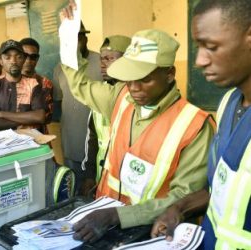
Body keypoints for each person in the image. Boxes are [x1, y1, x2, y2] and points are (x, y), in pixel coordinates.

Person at [59, 1, 215, 243]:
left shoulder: (194, 125)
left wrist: (119, 216)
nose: (134, 88)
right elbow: (80, 85)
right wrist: (67, 40)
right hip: (102, 221)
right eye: (129, 78)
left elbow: (184, 196)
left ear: (170, 74)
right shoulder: (120, 97)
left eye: (145, 79)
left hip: (150, 233)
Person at [151, 1, 251, 249]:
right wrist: (179, 208)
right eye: (198, 47)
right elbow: (223, 187)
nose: (199, 61)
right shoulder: (229, 102)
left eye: (211, 47)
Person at [53, 21, 102, 194]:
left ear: (85, 38)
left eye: (77, 38)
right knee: (73, 190)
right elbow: (59, 102)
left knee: (95, 192)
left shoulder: (101, 62)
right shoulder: (60, 68)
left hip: (97, 147)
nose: (73, 44)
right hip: (71, 143)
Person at [80, 35, 131, 196]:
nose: (102, 64)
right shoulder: (101, 93)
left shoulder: (137, 96)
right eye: (101, 59)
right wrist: (89, 176)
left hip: (127, 183)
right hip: (102, 178)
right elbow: (92, 139)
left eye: (109, 59)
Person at [0, 39, 47, 132]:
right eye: (7, 57)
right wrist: (23, 122)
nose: (13, 61)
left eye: (18, 57)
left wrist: (3, 114)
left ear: (24, 59)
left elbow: (39, 117)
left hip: (29, 140)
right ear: (1, 61)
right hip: (1, 142)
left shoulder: (33, 84)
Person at [20, 37, 53, 127]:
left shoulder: (45, 83)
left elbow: (46, 118)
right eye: (25, 55)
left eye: (33, 57)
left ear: (37, 59)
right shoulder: (8, 83)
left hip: (40, 138)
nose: (28, 60)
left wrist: (13, 116)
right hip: (14, 138)